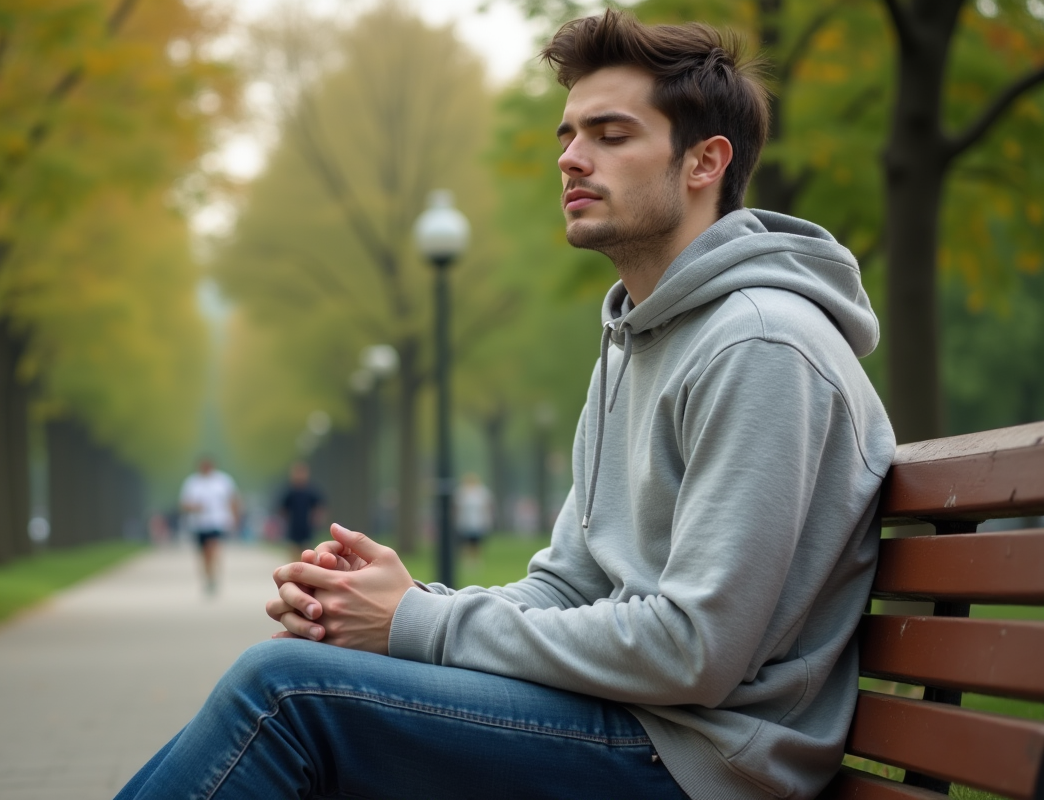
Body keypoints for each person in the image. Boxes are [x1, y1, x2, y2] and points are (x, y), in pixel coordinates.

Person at [115, 11, 895, 800]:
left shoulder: (760, 344)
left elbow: (695, 649)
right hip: (638, 724)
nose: (571, 158)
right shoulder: (635, 340)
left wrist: (415, 625)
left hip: (706, 759)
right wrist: (394, 607)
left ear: (705, 161)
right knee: (303, 675)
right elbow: (566, 587)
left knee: (286, 692)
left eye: (610, 135)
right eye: (568, 135)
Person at [179, 457, 241, 595]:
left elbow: (233, 499)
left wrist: (235, 517)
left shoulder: (223, 481)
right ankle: (209, 576)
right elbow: (184, 503)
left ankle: (214, 574)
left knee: (213, 547)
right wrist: (195, 507)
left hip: (218, 521)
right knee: (204, 554)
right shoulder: (192, 483)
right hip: (199, 524)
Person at [278, 462, 324, 561]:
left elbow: (319, 506)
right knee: (294, 554)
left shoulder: (311, 491)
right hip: (293, 528)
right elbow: (283, 508)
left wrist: (316, 520)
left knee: (307, 553)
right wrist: (284, 522)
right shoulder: (290, 491)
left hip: (307, 528)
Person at [455, 472, 494, 569]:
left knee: (476, 542)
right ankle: (467, 561)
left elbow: (487, 506)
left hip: (478, 521)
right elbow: (457, 507)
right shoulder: (461, 491)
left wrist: (487, 519)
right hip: (465, 521)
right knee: (465, 542)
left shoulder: (482, 491)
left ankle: (476, 561)